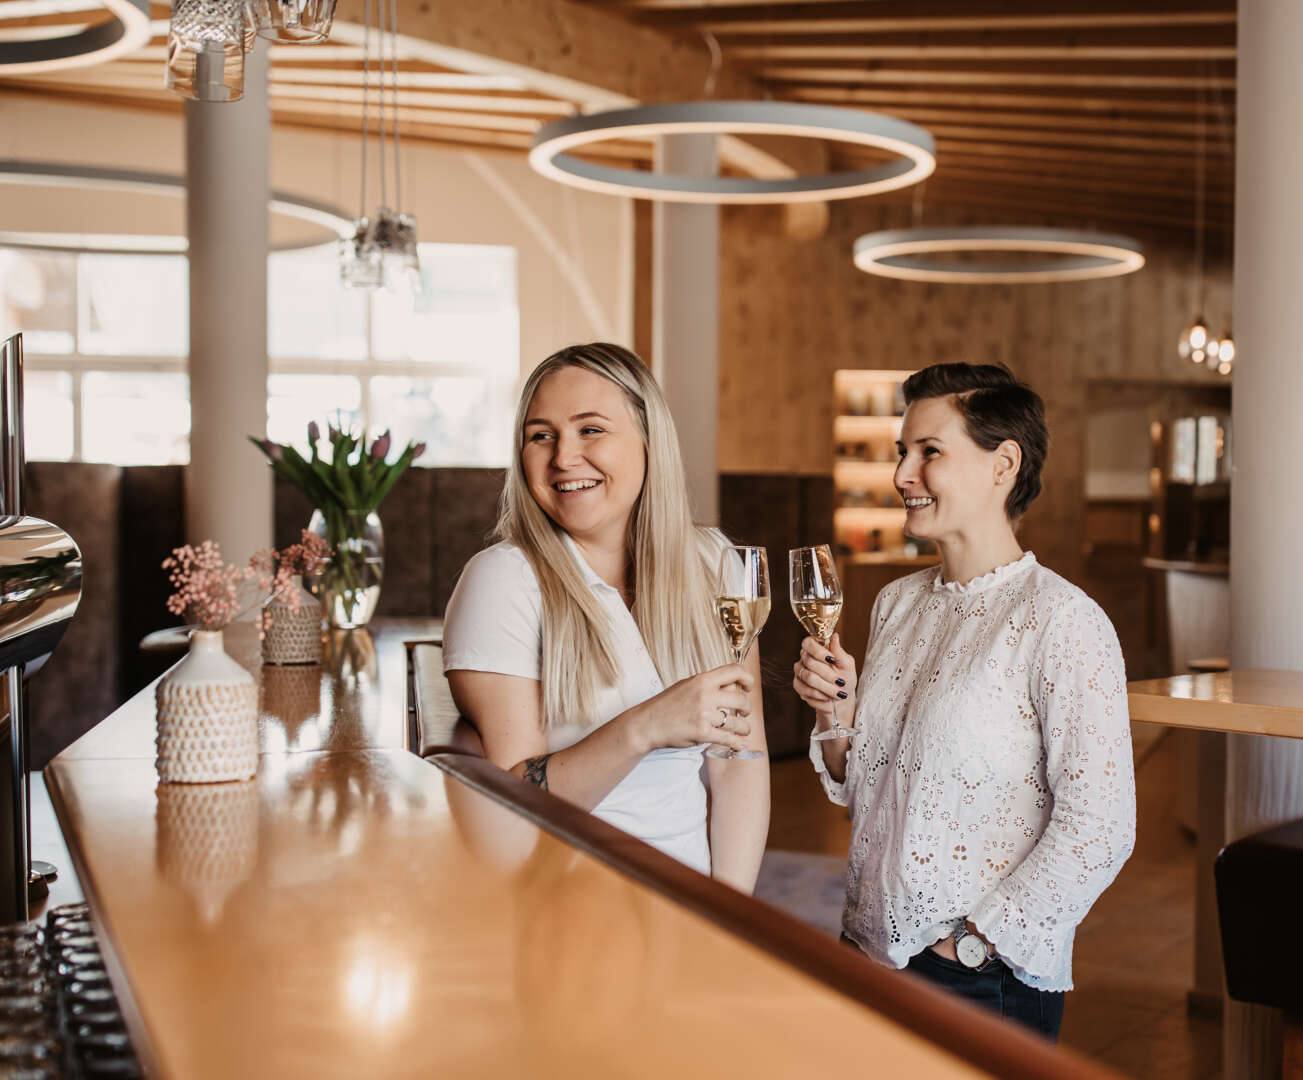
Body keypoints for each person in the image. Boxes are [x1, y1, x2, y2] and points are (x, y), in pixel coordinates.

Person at [792, 361, 1136, 1040]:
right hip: (864, 953)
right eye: (901, 453)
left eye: (930, 452)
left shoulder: (1062, 620)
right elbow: (863, 785)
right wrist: (832, 712)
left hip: (978, 979)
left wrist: (976, 945)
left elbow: (1101, 826)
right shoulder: (896, 603)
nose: (901, 475)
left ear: (1002, 465)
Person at [444, 342, 769, 892]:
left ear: (649, 440)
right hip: (569, 918)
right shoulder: (504, 580)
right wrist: (645, 726)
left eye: (590, 430)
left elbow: (739, 760)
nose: (564, 457)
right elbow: (514, 818)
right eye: (540, 436)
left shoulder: (712, 562)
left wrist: (729, 915)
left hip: (686, 913)